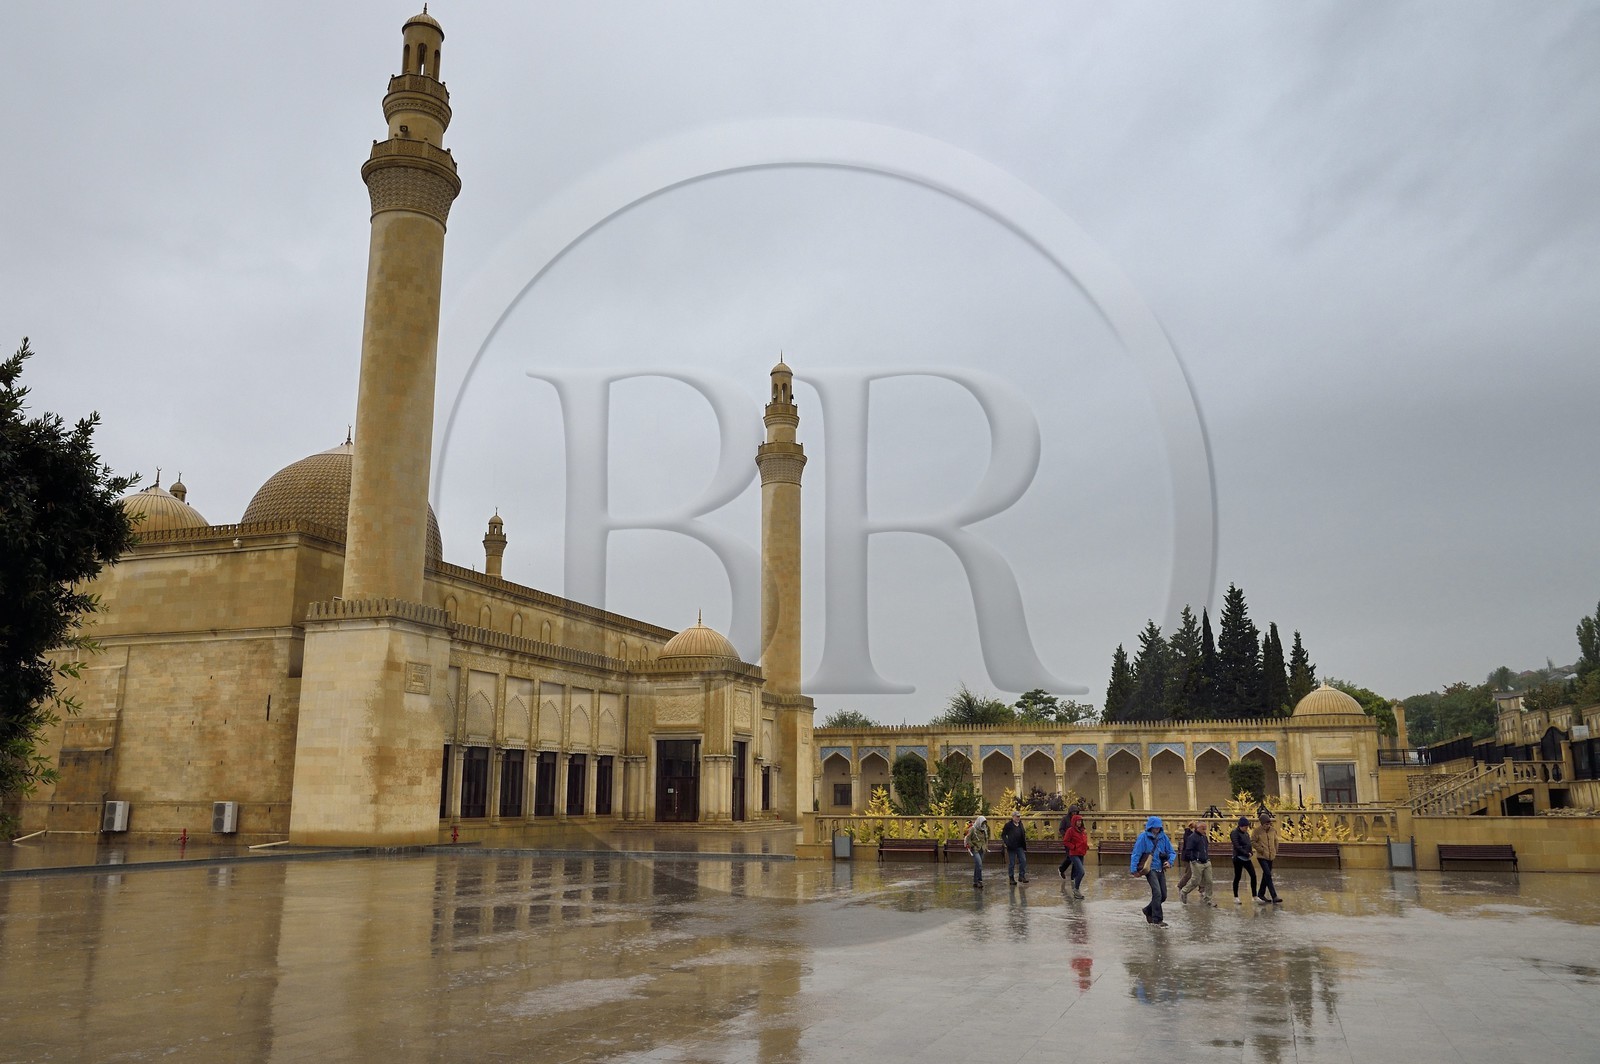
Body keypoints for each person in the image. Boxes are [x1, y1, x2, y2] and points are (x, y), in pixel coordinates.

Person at [1128, 815, 1176, 927]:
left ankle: (1148, 910)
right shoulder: (1143, 837)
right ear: (1150, 827)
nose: (1157, 829)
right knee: (1157, 893)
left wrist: (1169, 862)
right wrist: (1134, 869)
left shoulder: (1164, 837)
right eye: (1155, 827)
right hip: (1150, 869)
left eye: (1159, 827)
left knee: (1163, 895)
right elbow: (1136, 853)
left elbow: (1172, 852)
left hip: (1161, 868)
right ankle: (1157, 919)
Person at [1179, 819, 1215, 906]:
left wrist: (1207, 857)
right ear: (1198, 828)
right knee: (1195, 881)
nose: (1204, 830)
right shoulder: (1192, 837)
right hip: (1197, 862)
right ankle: (1184, 891)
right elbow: (1188, 850)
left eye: (1205, 828)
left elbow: (1205, 848)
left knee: (1209, 881)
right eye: (1203, 828)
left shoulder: (1204, 837)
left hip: (1206, 861)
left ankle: (1208, 899)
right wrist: (1193, 860)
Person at [1252, 810, 1283, 903]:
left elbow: (1276, 840)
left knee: (1266, 875)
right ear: (1262, 824)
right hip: (1262, 856)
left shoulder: (1273, 830)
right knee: (1268, 875)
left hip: (1271, 856)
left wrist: (1275, 850)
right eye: (1266, 824)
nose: (1268, 825)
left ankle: (1261, 894)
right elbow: (1252, 841)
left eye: (1269, 824)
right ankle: (1274, 896)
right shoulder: (1257, 831)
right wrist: (1260, 849)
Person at [1059, 806, 1089, 898]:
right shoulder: (1070, 830)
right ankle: (1076, 889)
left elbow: (1083, 840)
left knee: (1077, 872)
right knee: (1081, 872)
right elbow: (1065, 841)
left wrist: (1086, 846)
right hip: (1074, 853)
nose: (1079, 823)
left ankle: (1076, 888)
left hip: (1081, 853)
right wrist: (1073, 846)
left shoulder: (1082, 831)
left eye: (1080, 821)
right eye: (1078, 821)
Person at [1230, 815, 1257, 904]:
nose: (1246, 828)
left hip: (1246, 858)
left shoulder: (1246, 833)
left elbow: (1249, 844)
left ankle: (1254, 896)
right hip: (1238, 858)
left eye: (1247, 827)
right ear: (1240, 826)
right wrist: (1246, 853)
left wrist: (1250, 852)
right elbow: (1237, 846)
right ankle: (1236, 896)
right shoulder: (1234, 833)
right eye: (1245, 827)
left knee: (1253, 875)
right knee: (1237, 877)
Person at [1001, 811, 1029, 884]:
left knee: (1023, 860)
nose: (1018, 818)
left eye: (1019, 816)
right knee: (1012, 863)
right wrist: (1007, 843)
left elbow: (1023, 833)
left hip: (1020, 846)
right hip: (1012, 847)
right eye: (1017, 816)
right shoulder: (1008, 825)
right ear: (1013, 817)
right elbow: (1003, 835)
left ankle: (1021, 876)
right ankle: (1011, 878)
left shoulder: (1020, 824)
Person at [966, 815, 990, 888]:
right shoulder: (973, 829)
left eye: (984, 823)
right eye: (982, 822)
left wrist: (985, 846)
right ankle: (979, 881)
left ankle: (975, 881)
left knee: (978, 865)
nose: (983, 824)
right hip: (975, 849)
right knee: (979, 864)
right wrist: (972, 845)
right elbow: (968, 838)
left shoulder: (984, 829)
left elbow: (986, 839)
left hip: (982, 849)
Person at [1175, 824, 1194, 894]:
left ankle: (1202, 888)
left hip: (1194, 857)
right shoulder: (1189, 835)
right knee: (1189, 873)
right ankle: (1180, 885)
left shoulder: (1190, 834)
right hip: (1189, 857)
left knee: (1200, 873)